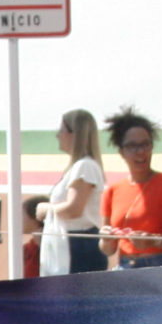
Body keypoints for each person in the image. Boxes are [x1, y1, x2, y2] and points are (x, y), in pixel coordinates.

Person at [100, 108, 162, 268]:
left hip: (160, 266)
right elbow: (108, 249)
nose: (140, 152)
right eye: (132, 146)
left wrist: (153, 241)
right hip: (125, 265)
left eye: (145, 145)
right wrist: (105, 239)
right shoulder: (112, 191)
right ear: (121, 152)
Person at [40, 109, 106, 274]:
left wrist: (45, 208)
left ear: (74, 134)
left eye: (62, 130)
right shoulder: (79, 167)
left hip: (79, 246)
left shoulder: (85, 166)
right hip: (72, 244)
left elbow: (74, 209)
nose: (58, 135)